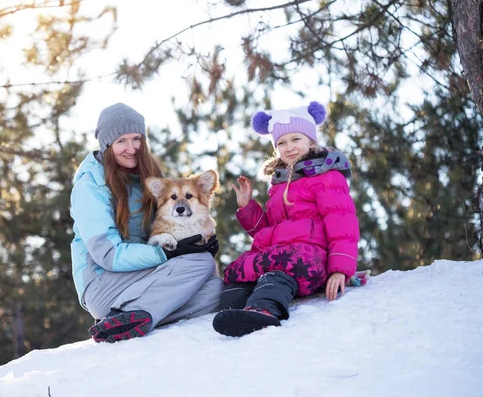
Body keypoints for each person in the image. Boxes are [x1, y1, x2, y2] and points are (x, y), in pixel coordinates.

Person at [70, 102, 223, 343]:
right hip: (103, 282)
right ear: (108, 145)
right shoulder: (90, 186)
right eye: (121, 141)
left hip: (141, 277)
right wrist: (170, 254)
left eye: (136, 138)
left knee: (215, 291)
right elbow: (108, 255)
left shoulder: (146, 174)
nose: (131, 148)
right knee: (202, 264)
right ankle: (128, 313)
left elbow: (166, 225)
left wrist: (197, 242)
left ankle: (130, 318)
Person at [212, 101, 360, 337]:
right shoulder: (279, 185)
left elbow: (342, 225)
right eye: (281, 142)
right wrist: (247, 206)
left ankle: (263, 311)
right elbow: (270, 230)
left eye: (295, 139)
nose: (288, 147)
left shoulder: (327, 177)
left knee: (276, 277)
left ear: (311, 140)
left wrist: (340, 269)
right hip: (282, 253)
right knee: (233, 289)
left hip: (309, 257)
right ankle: (238, 311)